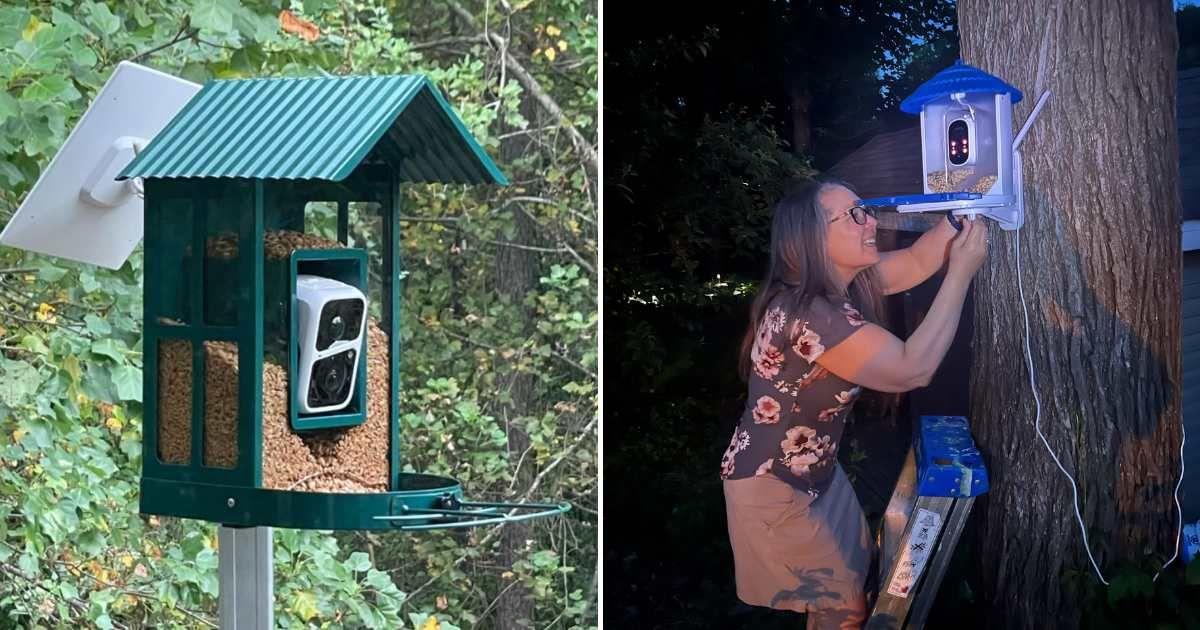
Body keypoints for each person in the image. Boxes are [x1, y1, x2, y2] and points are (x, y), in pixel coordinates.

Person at [719, 176, 988, 629]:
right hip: (773, 485)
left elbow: (917, 261)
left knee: (852, 582)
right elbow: (911, 368)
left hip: (814, 472)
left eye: (867, 210)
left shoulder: (833, 289)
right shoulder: (812, 313)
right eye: (855, 215)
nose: (871, 223)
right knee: (844, 610)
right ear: (811, 238)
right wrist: (961, 273)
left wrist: (957, 218)